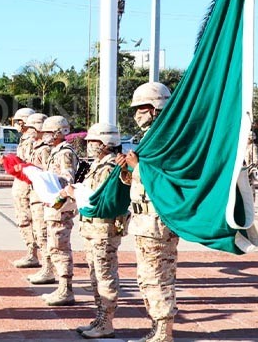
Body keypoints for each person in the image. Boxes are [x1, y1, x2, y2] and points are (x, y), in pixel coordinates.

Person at [116, 81, 176, 342]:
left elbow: (164, 178)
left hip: (156, 221)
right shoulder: (151, 138)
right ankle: (158, 326)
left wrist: (137, 166)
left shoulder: (166, 139)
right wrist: (127, 169)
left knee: (157, 276)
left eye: (141, 108)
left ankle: (164, 331)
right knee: (147, 277)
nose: (136, 114)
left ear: (155, 108)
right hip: (144, 219)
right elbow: (139, 181)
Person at [74, 122, 124, 339]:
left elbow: (98, 198)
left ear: (106, 142)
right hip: (93, 228)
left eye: (92, 141)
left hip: (103, 229)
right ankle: (100, 317)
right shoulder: (98, 165)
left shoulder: (109, 168)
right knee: (96, 274)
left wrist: (75, 193)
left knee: (105, 275)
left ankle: (107, 322)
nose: (88, 145)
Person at [38, 115, 78, 306]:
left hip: (60, 206)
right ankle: (63, 287)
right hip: (54, 204)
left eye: (47, 131)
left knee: (60, 247)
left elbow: (67, 178)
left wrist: (48, 182)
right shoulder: (56, 151)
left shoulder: (64, 153)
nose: (44, 135)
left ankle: (66, 289)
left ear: (58, 132)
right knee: (55, 246)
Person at [23, 113, 55, 286]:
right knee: (39, 232)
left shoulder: (45, 148)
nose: (29, 131)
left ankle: (48, 269)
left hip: (43, 196)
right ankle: (45, 267)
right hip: (36, 193)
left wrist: (31, 168)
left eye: (32, 128)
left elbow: (50, 172)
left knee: (43, 234)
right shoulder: (37, 146)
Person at [9, 107, 39, 268]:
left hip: (26, 186)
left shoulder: (31, 140)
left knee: (26, 220)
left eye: (18, 122)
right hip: (22, 185)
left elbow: (27, 165)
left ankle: (32, 253)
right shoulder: (26, 139)